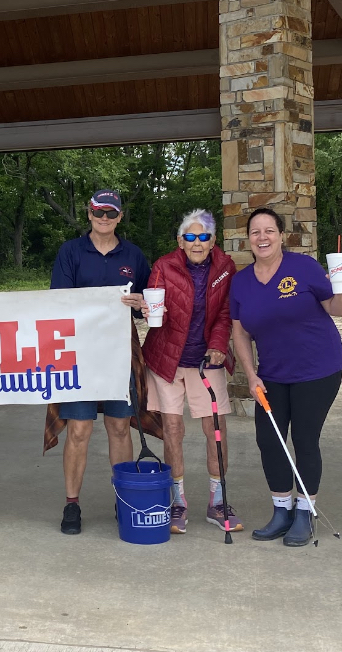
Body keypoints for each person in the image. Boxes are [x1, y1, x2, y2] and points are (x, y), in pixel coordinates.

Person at [230, 207, 342, 547]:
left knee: (303, 439)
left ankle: (305, 512)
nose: (263, 237)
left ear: (281, 235)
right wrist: (251, 375)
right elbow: (240, 333)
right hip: (271, 375)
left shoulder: (304, 267)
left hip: (317, 370)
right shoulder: (241, 282)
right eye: (256, 232)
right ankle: (282, 510)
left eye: (269, 231)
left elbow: (336, 309)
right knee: (269, 441)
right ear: (248, 239)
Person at [50, 189, 151, 535]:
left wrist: (141, 303)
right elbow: (59, 303)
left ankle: (122, 498)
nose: (104, 219)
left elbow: (150, 302)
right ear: (89, 214)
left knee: (120, 427)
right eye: (98, 213)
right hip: (79, 353)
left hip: (121, 351)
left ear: (120, 216)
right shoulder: (70, 251)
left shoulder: (134, 255)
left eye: (111, 214)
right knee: (79, 429)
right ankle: (72, 503)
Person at [141, 209, 242, 535]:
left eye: (204, 237)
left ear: (213, 240)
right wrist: (153, 310)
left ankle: (217, 500)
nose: (197, 242)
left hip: (206, 361)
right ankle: (178, 502)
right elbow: (153, 307)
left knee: (216, 430)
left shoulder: (225, 268)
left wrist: (217, 345)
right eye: (190, 236)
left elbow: (225, 313)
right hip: (167, 360)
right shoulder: (163, 266)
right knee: (172, 430)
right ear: (180, 241)